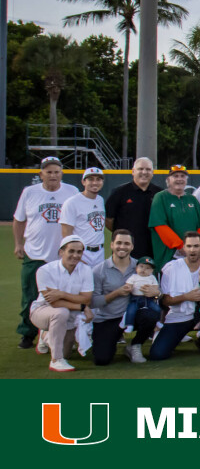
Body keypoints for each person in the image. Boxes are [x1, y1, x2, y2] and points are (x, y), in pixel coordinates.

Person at [14, 156, 79, 349]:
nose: (52, 175)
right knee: (30, 296)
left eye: (56, 171)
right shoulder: (30, 192)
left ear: (62, 173)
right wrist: (18, 244)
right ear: (41, 173)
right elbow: (19, 220)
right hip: (35, 253)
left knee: (67, 295)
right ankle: (28, 333)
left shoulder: (71, 192)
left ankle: (68, 334)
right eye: (48, 171)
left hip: (63, 256)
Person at [148, 232, 200, 360]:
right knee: (157, 354)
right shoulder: (170, 268)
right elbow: (164, 301)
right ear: (183, 248)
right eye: (189, 246)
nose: (192, 250)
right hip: (178, 317)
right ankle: (172, 336)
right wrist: (186, 297)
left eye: (196, 246)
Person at [90, 230, 157, 365]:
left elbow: (156, 289)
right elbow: (93, 302)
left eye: (127, 243)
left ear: (132, 246)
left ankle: (134, 345)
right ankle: (111, 340)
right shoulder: (99, 270)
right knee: (102, 359)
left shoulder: (141, 266)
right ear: (112, 245)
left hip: (134, 315)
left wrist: (156, 292)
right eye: (119, 243)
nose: (122, 247)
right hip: (108, 318)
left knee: (151, 314)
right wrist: (117, 293)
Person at [29, 235, 93, 372]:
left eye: (79, 252)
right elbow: (55, 302)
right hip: (42, 311)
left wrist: (62, 294)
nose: (75, 255)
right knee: (60, 312)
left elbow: (87, 298)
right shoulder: (45, 270)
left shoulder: (86, 270)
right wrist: (81, 306)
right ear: (61, 252)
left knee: (67, 352)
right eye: (71, 251)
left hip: (69, 313)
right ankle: (56, 360)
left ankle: (46, 336)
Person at [148, 165, 200, 274]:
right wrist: (180, 245)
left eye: (182, 176)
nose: (179, 179)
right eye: (175, 176)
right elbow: (159, 225)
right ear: (168, 180)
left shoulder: (192, 199)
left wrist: (194, 245)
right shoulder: (160, 197)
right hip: (169, 252)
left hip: (191, 252)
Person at [105, 156, 161, 259]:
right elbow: (109, 220)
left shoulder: (159, 194)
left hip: (152, 248)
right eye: (140, 169)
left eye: (148, 169)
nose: (144, 172)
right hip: (126, 248)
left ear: (153, 173)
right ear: (133, 171)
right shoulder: (119, 193)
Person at [60, 167, 106, 268]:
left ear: (102, 182)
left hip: (99, 252)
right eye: (90, 179)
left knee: (97, 283)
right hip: (82, 252)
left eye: (98, 179)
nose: (95, 183)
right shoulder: (72, 202)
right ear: (83, 182)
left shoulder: (100, 200)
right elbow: (66, 233)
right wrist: (76, 256)